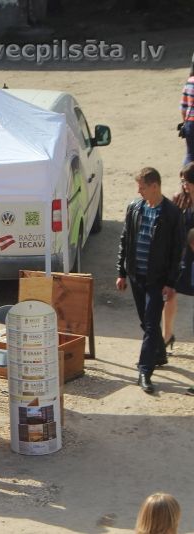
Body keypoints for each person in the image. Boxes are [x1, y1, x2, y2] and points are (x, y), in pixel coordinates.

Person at [116, 167, 183, 394]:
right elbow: (125, 239)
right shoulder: (135, 208)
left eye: (142, 187)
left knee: (151, 324)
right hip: (136, 276)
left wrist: (171, 282)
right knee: (146, 322)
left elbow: (177, 251)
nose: (139, 191)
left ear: (155, 186)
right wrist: (121, 272)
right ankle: (160, 353)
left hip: (157, 280)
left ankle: (145, 371)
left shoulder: (172, 214)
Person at [161, 163, 194, 352]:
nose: (184, 185)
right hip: (182, 256)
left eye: (187, 182)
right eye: (182, 181)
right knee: (170, 293)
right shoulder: (180, 200)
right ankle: (167, 335)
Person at [180, 56, 194, 166]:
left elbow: (183, 107)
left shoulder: (189, 81)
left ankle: (186, 174)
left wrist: (185, 123)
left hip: (190, 122)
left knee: (190, 154)